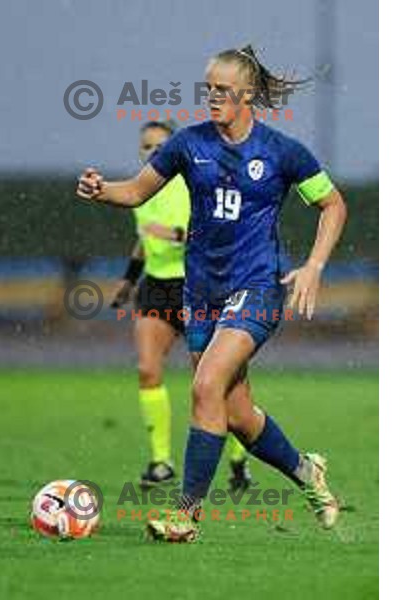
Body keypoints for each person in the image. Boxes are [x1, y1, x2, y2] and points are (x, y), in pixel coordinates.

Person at [76, 45, 347, 543]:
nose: (212, 97)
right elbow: (135, 191)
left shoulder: (282, 151)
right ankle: (307, 473)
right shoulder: (187, 144)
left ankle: (186, 517)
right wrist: (101, 189)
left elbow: (333, 204)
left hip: (258, 288)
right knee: (238, 414)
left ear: (246, 94)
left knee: (204, 388)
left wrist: (314, 266)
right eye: (208, 89)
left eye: (222, 90)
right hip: (200, 294)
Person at [110, 120, 252, 490]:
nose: (153, 152)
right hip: (156, 288)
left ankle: (238, 458)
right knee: (146, 368)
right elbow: (144, 240)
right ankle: (160, 462)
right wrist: (128, 279)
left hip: (199, 286)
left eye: (161, 146)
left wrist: (174, 234)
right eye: (146, 147)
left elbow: (222, 234)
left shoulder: (196, 184)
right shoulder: (139, 190)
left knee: (214, 382)